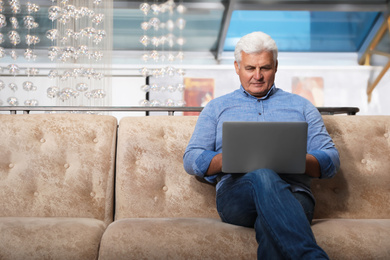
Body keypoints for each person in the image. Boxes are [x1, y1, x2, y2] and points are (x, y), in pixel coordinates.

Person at [183, 31, 340, 259]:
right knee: (262, 174)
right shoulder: (216, 108)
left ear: (275, 66)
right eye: (250, 68)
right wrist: (231, 158)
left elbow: (331, 159)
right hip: (237, 197)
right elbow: (191, 158)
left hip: (294, 197)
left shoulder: (302, 107)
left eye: (265, 68)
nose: (257, 76)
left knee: (269, 226)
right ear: (237, 67)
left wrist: (295, 158)